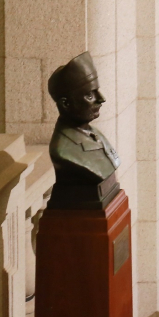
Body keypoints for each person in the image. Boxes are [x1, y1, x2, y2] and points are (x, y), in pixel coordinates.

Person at [47, 51, 122, 209]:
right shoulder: (63, 151)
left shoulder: (95, 134)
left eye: (97, 91)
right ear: (66, 104)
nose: (101, 99)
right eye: (89, 95)